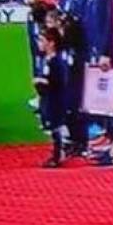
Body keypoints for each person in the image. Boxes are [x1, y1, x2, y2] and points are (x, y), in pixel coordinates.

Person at [33, 27, 69, 168]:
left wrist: (42, 82)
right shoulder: (47, 59)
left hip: (55, 99)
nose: (39, 43)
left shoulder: (56, 61)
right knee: (51, 124)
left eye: (42, 40)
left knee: (55, 126)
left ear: (51, 43)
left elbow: (58, 81)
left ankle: (57, 155)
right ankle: (56, 153)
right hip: (48, 98)